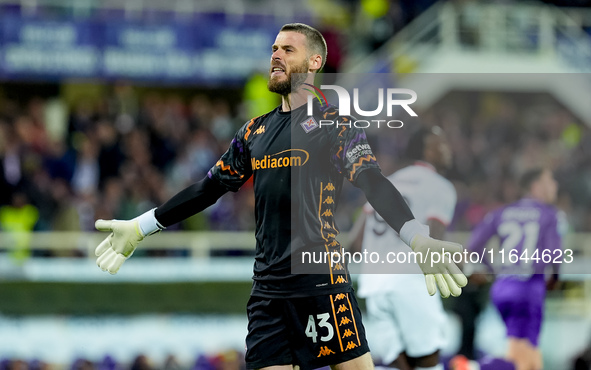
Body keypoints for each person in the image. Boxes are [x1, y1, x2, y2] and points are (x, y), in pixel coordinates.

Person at [93, 23, 467, 370]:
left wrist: (417, 237)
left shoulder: (335, 126)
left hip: (321, 283)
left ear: (315, 62)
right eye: (274, 48)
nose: (276, 55)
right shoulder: (254, 132)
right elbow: (209, 188)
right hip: (267, 294)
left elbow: (373, 181)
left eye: (288, 49)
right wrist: (141, 226)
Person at [350, 126, 457, 370]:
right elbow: (435, 240)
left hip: (374, 284)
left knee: (399, 364)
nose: (448, 150)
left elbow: (356, 243)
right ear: (429, 150)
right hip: (410, 281)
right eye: (442, 145)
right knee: (428, 360)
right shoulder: (439, 186)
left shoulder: (387, 182)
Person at [450, 168, 565, 370]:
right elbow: (554, 253)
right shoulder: (549, 215)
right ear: (535, 186)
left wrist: (493, 269)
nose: (555, 185)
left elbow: (473, 246)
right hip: (528, 288)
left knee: (529, 357)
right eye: (550, 180)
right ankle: (472, 368)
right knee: (519, 358)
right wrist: (555, 278)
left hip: (503, 287)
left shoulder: (501, 212)